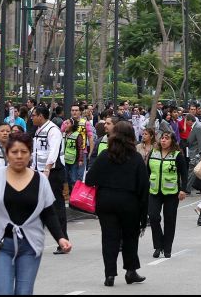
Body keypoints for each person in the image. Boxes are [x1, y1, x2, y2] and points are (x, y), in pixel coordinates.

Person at [0, 132, 71, 295]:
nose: (19, 156)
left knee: (24, 292)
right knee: (3, 292)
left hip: (30, 245)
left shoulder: (41, 180)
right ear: (7, 153)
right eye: (14, 152)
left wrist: (60, 237)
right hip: (1, 245)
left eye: (24, 152)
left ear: (30, 154)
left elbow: (48, 213)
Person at [85, 121, 148, 287]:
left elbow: (90, 179)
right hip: (129, 203)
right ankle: (130, 271)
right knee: (130, 238)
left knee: (109, 238)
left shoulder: (104, 156)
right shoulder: (136, 158)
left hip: (106, 201)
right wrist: (144, 214)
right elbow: (143, 186)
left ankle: (110, 274)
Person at [31, 106, 68, 254]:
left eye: (34, 115)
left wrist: (47, 169)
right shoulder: (39, 129)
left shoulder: (53, 130)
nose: (32, 117)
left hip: (52, 172)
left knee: (56, 205)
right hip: (39, 171)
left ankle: (63, 240)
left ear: (41, 116)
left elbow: (53, 151)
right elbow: (37, 151)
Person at [147, 131, 188, 259]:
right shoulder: (153, 153)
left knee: (169, 219)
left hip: (171, 192)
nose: (163, 140)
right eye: (162, 138)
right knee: (153, 217)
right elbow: (147, 171)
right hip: (154, 191)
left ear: (172, 141)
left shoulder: (177, 155)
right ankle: (158, 245)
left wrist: (183, 189)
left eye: (167, 138)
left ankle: (167, 247)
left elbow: (184, 173)